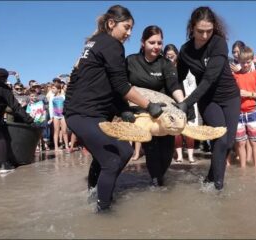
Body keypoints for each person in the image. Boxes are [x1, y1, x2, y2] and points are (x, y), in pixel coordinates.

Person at [64, 5, 164, 213]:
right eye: (126, 27)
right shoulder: (112, 44)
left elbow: (102, 83)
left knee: (114, 154)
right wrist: (149, 105)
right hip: (85, 113)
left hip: (80, 112)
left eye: (131, 29)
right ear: (111, 24)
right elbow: (121, 85)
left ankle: (95, 192)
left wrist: (123, 109)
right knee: (116, 157)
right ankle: (104, 211)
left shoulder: (93, 43)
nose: (128, 33)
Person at [176, 6, 240, 190]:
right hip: (208, 100)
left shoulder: (218, 43)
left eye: (209, 31)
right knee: (220, 138)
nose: (204, 36)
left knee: (228, 143)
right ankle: (218, 188)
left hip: (230, 97)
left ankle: (211, 178)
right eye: (200, 31)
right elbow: (178, 79)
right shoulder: (185, 50)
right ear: (191, 28)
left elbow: (209, 78)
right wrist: (177, 101)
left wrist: (187, 103)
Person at [126, 26, 186, 186]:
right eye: (152, 42)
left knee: (166, 153)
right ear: (142, 43)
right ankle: (156, 183)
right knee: (151, 150)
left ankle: (159, 179)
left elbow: (174, 85)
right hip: (143, 114)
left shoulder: (165, 63)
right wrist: (123, 110)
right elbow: (121, 86)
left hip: (165, 113)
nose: (156, 46)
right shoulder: (131, 61)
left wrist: (182, 102)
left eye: (159, 43)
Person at [233, 46, 256, 168]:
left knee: (254, 142)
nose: (245, 65)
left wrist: (249, 94)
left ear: (252, 60)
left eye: (248, 62)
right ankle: (242, 169)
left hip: (253, 111)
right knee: (241, 143)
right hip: (238, 113)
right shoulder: (234, 76)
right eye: (242, 62)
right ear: (238, 61)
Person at [164, 43, 198, 164]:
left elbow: (193, 84)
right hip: (173, 104)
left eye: (172, 56)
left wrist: (189, 97)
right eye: (167, 56)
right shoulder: (165, 69)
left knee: (189, 129)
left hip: (188, 101)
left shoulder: (185, 69)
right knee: (176, 130)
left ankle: (190, 156)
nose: (170, 59)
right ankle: (179, 155)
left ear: (177, 56)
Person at [48, 82, 69, 152]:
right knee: (56, 131)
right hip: (55, 116)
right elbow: (50, 107)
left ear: (59, 89)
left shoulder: (63, 96)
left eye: (53, 88)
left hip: (63, 115)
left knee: (64, 131)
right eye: (51, 88)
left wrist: (67, 114)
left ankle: (66, 146)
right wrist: (51, 117)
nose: (52, 90)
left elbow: (66, 106)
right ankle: (56, 147)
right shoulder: (52, 97)